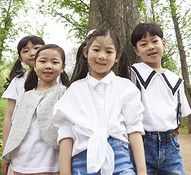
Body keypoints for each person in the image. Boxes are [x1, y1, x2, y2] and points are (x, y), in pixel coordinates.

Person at [53, 29, 147, 175]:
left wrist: (142, 172)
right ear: (85, 52)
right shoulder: (75, 90)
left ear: (117, 56)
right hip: (83, 160)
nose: (102, 56)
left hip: (119, 159)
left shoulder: (126, 87)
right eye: (96, 50)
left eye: (109, 52)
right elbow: (66, 133)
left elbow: (134, 129)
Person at [130, 22, 191, 175]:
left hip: (171, 144)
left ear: (163, 44)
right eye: (143, 44)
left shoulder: (176, 79)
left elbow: (181, 111)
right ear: (136, 51)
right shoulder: (133, 73)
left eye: (155, 41)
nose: (150, 47)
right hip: (142, 143)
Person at [2, 44, 68, 175]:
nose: (48, 66)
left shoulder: (65, 93)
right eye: (43, 61)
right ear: (35, 66)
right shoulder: (25, 96)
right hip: (20, 162)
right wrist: (6, 155)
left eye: (54, 62)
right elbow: (16, 127)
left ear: (62, 68)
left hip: (50, 163)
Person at [2, 35, 45, 175]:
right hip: (20, 148)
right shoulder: (18, 81)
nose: (32, 53)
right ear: (20, 58)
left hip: (46, 150)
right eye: (26, 51)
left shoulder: (56, 79)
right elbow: (9, 116)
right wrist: (5, 150)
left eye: (37, 48)